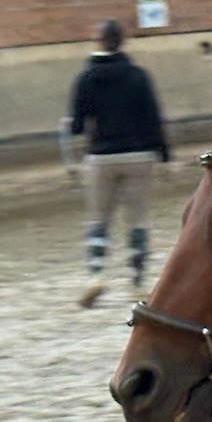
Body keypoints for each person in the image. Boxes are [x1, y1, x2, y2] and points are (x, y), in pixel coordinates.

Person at [68, 19, 170, 308]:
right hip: (138, 156)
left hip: (101, 157)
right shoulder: (139, 76)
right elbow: (154, 119)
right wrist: (164, 157)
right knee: (138, 220)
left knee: (99, 219)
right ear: (123, 41)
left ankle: (96, 274)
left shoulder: (85, 78)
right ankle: (138, 283)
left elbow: (76, 125)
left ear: (98, 41)